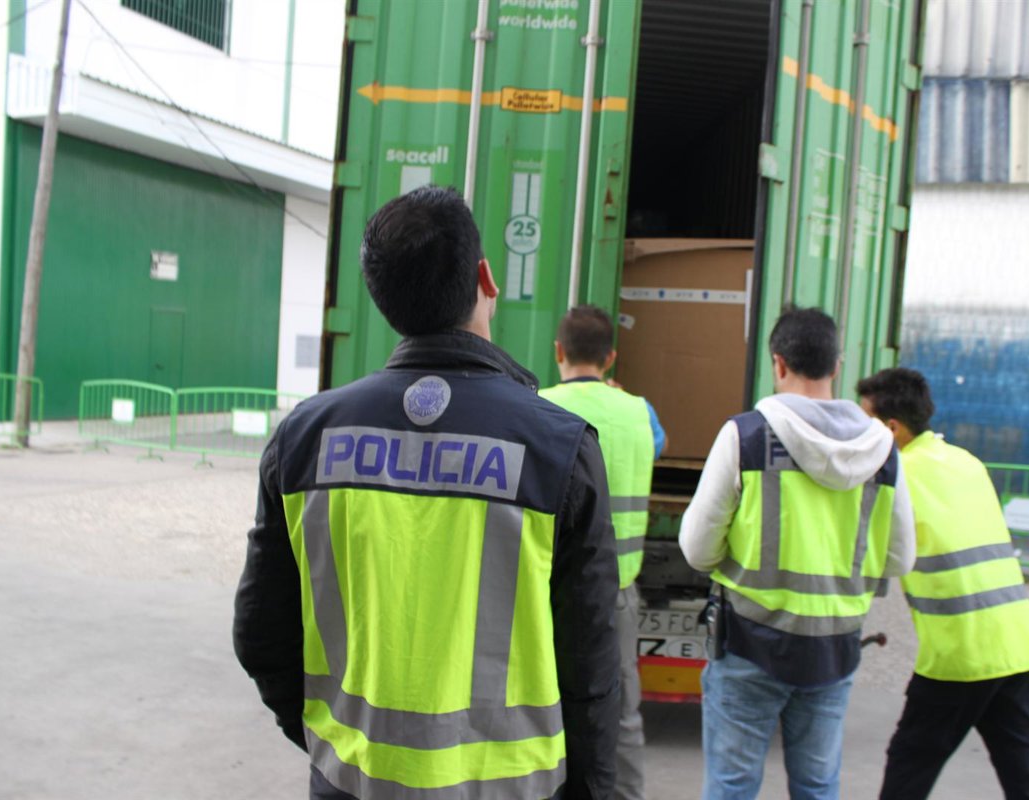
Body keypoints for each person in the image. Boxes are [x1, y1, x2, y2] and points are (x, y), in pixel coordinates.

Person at [232, 185, 621, 800]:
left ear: (381, 297)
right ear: (485, 278)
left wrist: (326, 739)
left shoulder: (304, 439)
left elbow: (260, 635)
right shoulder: (558, 449)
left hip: (350, 781)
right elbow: (591, 668)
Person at [679, 306, 915, 800]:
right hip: (835, 647)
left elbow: (698, 550)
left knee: (731, 787)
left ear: (779, 363)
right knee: (817, 787)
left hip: (749, 643)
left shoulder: (745, 436)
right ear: (837, 366)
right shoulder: (883, 451)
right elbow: (900, 559)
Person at [856, 367, 1029, 800]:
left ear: (891, 428)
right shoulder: (967, 462)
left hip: (960, 654)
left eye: (864, 422)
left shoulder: (896, 477)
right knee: (1024, 776)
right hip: (1018, 647)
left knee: (909, 766)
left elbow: (871, 557)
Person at [538, 305, 666, 800]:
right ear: (610, 357)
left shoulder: (539, 406)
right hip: (617, 593)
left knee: (539, 704)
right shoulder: (640, 412)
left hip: (544, 591)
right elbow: (658, 444)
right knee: (620, 710)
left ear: (558, 351)